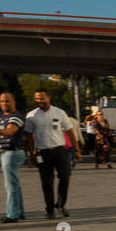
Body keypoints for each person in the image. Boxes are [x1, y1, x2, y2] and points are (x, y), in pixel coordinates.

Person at [24, 89, 81, 218]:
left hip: (60, 151)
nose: (40, 101)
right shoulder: (31, 116)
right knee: (46, 183)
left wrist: (76, 149)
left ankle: (60, 204)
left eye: (42, 98)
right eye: (37, 99)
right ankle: (49, 210)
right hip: (42, 153)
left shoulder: (59, 113)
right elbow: (28, 136)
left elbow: (70, 131)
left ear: (49, 97)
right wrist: (31, 154)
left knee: (65, 177)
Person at [0, 92, 27, 223]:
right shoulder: (0, 118)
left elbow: (11, 130)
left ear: (14, 102)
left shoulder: (16, 116)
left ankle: (12, 214)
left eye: (7, 101)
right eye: (2, 101)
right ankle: (19, 212)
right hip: (4, 152)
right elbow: (0, 135)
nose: (4, 104)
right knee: (14, 184)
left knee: (10, 185)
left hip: (12, 152)